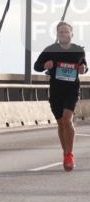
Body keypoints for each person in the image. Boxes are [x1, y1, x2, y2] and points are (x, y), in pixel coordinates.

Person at [34, 21, 87, 171]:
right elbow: (36, 66)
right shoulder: (50, 50)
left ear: (71, 34)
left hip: (72, 90)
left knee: (67, 119)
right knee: (61, 123)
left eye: (66, 31)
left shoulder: (78, 50)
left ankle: (69, 154)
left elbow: (83, 66)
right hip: (56, 92)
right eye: (60, 32)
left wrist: (83, 69)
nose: (63, 34)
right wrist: (45, 65)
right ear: (57, 35)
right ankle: (65, 153)